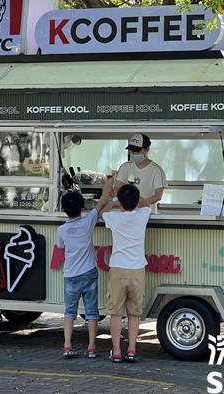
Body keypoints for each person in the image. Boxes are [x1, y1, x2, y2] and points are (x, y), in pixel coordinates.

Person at [57, 179, 113, 359]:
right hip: (89, 272)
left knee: (69, 311)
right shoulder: (88, 221)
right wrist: (110, 182)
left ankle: (67, 346)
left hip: (70, 275)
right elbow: (102, 201)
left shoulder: (61, 230)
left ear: (64, 209)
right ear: (82, 207)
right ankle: (91, 347)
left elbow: (61, 249)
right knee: (91, 312)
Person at [102, 183, 151, 363]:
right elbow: (146, 203)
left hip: (118, 269)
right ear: (136, 201)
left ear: (121, 202)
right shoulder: (143, 215)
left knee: (116, 313)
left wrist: (114, 201)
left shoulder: (114, 217)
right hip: (137, 269)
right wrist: (134, 198)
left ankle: (116, 351)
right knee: (134, 313)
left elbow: (102, 211)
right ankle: (131, 350)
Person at [115, 134, 166, 214]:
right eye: (132, 151)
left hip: (147, 216)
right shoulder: (125, 167)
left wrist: (142, 203)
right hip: (126, 215)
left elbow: (158, 195)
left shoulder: (156, 170)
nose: (134, 153)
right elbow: (117, 188)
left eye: (137, 150)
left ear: (147, 149)